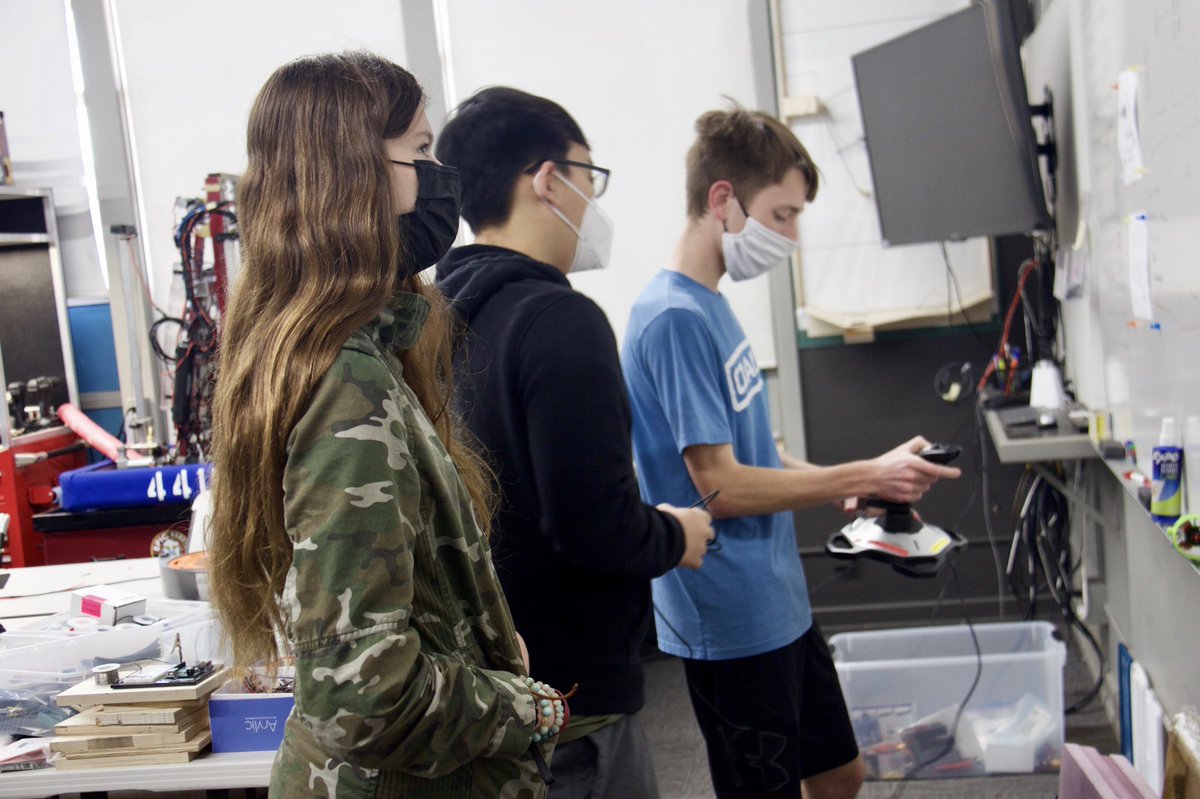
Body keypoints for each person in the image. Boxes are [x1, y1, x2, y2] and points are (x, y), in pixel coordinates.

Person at [207, 54, 568, 798]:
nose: (442, 174)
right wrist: (527, 704)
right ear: (353, 176)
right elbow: (363, 696)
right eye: (422, 151)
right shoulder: (345, 380)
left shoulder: (353, 350)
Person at [621, 108, 962, 799]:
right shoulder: (674, 319)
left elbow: (759, 453)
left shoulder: (711, 303)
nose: (792, 236)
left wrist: (860, 483)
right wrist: (867, 470)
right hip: (729, 615)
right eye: (782, 214)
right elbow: (721, 487)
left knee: (839, 772)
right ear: (724, 199)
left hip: (776, 600)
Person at [434, 86, 714, 798]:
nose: (594, 200)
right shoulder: (561, 320)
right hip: (574, 709)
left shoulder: (438, 318)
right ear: (547, 178)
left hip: (483, 691)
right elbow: (594, 523)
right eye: (590, 178)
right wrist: (676, 533)